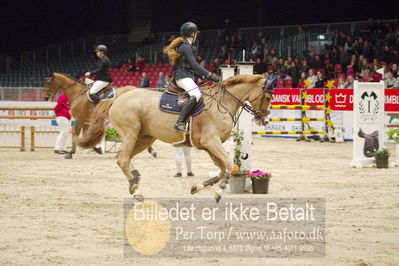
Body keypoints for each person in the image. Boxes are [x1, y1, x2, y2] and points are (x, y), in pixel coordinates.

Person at [163, 22, 220, 132]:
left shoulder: (186, 46)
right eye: (196, 34)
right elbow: (195, 65)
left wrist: (208, 77)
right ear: (193, 33)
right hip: (182, 76)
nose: (196, 36)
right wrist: (210, 75)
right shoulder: (185, 46)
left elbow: (193, 69)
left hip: (186, 75)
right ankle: (179, 122)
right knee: (196, 94)